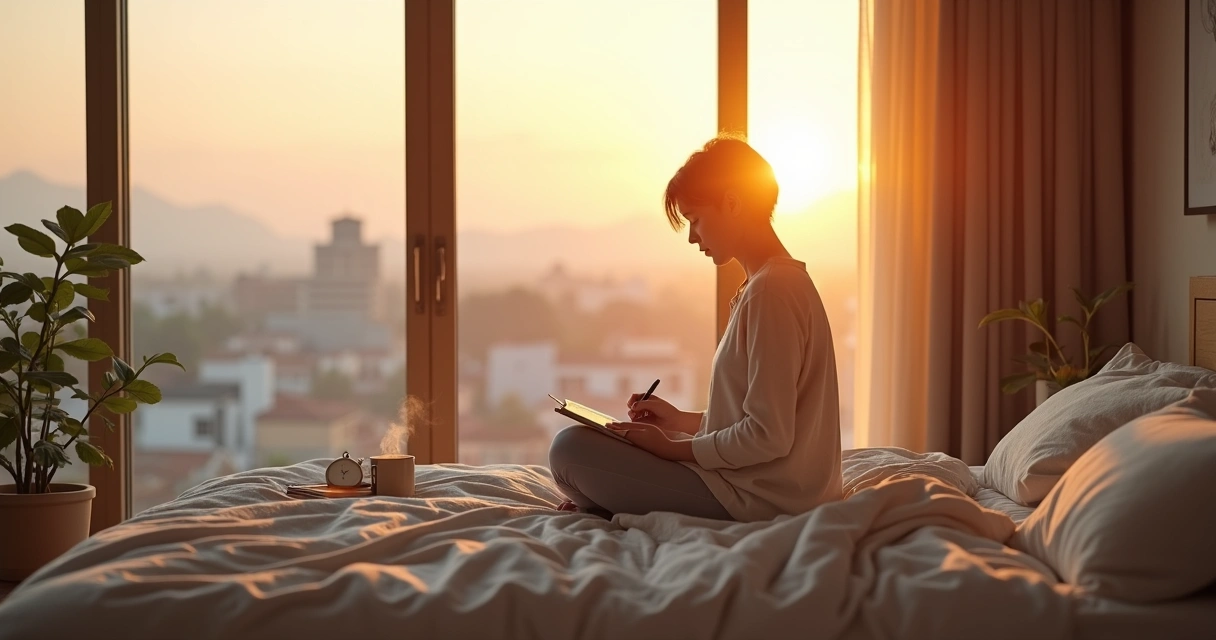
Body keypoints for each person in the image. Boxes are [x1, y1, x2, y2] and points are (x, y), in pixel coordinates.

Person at [547, 134, 843, 522]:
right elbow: (754, 422)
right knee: (589, 449)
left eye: (695, 219)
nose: (692, 237)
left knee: (569, 450)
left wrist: (672, 448)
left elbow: (767, 437)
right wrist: (678, 422)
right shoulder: (768, 286)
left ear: (732, 203)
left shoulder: (772, 291)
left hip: (764, 499)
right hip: (760, 486)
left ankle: (609, 500)